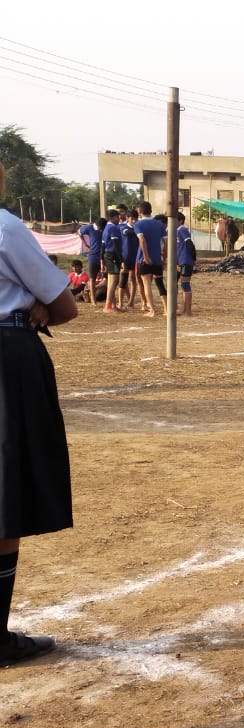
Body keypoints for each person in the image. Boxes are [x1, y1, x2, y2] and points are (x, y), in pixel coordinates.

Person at [0, 162, 78, 665]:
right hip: (6, 358)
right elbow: (65, 304)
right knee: (5, 496)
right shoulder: (6, 227)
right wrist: (46, 308)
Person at [133, 201, 166, 317]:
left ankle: (152, 310)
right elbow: (166, 242)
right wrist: (164, 257)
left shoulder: (138, 225)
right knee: (160, 283)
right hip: (158, 259)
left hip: (144, 259)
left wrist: (146, 257)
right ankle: (166, 309)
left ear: (140, 212)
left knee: (147, 285)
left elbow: (142, 240)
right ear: (151, 211)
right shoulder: (160, 224)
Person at [100, 208, 123, 313]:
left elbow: (103, 246)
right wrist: (121, 259)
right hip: (113, 256)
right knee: (114, 281)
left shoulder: (106, 228)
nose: (119, 219)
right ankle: (108, 305)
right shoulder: (113, 228)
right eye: (117, 217)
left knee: (111, 281)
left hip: (107, 255)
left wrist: (102, 259)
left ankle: (113, 305)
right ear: (112, 218)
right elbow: (116, 245)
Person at [174, 212, 196, 317]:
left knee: (185, 284)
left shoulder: (182, 229)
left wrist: (193, 258)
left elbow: (189, 243)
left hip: (186, 261)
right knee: (182, 284)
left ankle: (188, 311)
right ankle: (183, 309)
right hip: (181, 261)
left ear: (180, 221)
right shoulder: (176, 231)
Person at [78, 217, 103, 299]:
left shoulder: (105, 227)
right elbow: (79, 232)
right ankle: (93, 299)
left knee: (108, 277)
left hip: (105, 256)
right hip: (93, 256)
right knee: (92, 278)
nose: (101, 230)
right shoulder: (89, 227)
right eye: (100, 228)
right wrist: (85, 244)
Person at [119, 209, 137, 310]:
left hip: (135, 258)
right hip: (125, 258)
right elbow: (127, 232)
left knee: (133, 279)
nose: (134, 221)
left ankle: (131, 301)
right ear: (127, 218)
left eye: (135, 219)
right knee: (123, 280)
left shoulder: (137, 228)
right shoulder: (123, 228)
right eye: (132, 219)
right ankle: (120, 303)